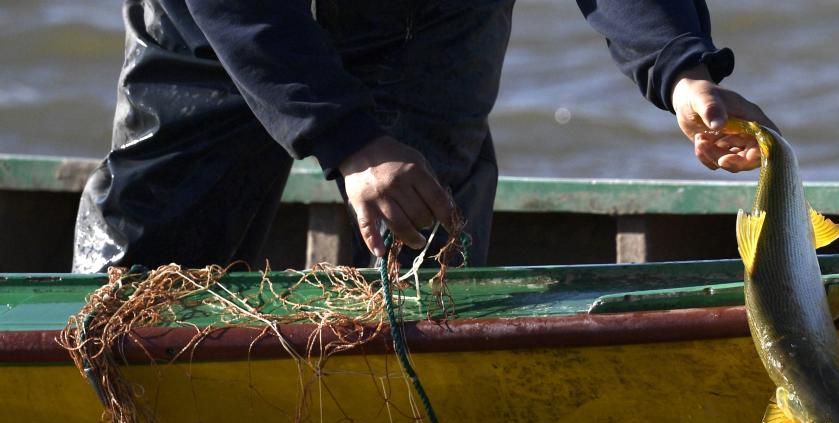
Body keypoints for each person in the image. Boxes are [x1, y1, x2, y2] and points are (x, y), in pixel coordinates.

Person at [72, 0, 776, 273]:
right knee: (140, 281)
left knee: (427, 279)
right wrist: (349, 140)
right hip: (227, 20)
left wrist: (683, 71)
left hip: (433, 23)